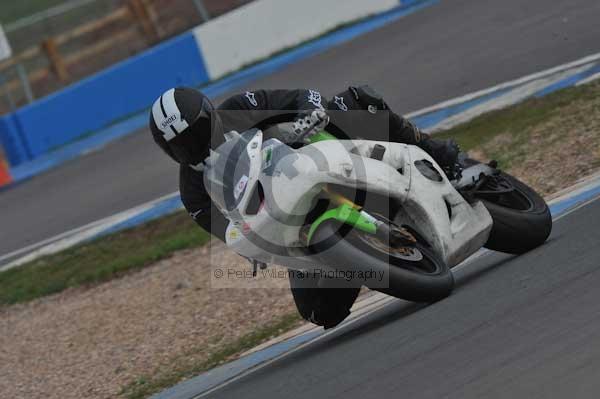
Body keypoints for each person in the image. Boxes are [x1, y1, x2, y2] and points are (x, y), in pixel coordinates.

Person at [149, 85, 459, 328]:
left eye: (196, 133)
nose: (192, 145)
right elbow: (225, 229)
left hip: (317, 155)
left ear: (209, 113)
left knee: (356, 101)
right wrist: (248, 246)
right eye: (180, 145)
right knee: (319, 311)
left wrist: (311, 111)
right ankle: (366, 257)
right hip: (287, 218)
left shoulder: (239, 107)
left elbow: (300, 96)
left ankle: (436, 152)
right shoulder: (193, 193)